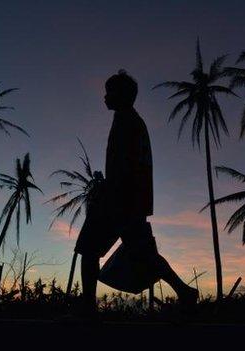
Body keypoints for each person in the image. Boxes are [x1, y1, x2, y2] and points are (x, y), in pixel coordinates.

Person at [76, 70, 198, 317]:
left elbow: (125, 166)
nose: (105, 97)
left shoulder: (126, 122)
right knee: (144, 253)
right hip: (131, 201)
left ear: (121, 94)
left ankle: (88, 311)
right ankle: (185, 292)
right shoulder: (131, 120)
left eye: (109, 91)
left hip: (120, 201)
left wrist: (108, 192)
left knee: (89, 249)